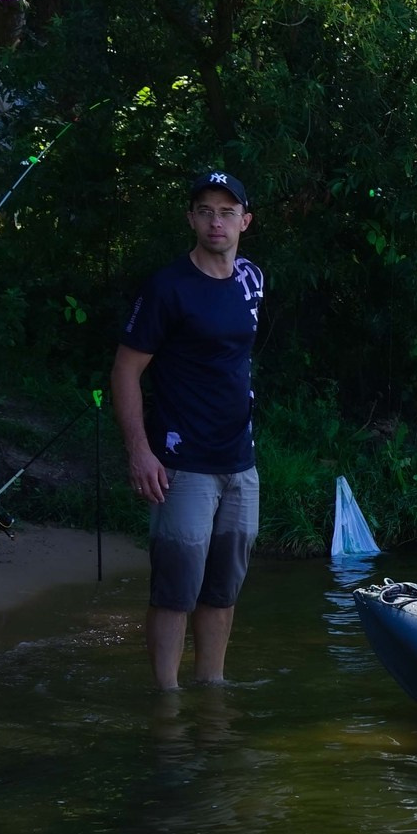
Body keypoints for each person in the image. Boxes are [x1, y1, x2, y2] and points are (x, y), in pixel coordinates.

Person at [112, 171, 265, 691]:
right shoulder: (167, 287)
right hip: (183, 464)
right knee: (176, 590)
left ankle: (212, 690)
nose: (215, 221)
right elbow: (126, 371)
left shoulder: (252, 280)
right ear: (191, 219)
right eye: (204, 210)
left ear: (245, 220)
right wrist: (140, 451)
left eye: (226, 212)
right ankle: (167, 703)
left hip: (240, 464)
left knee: (222, 592)